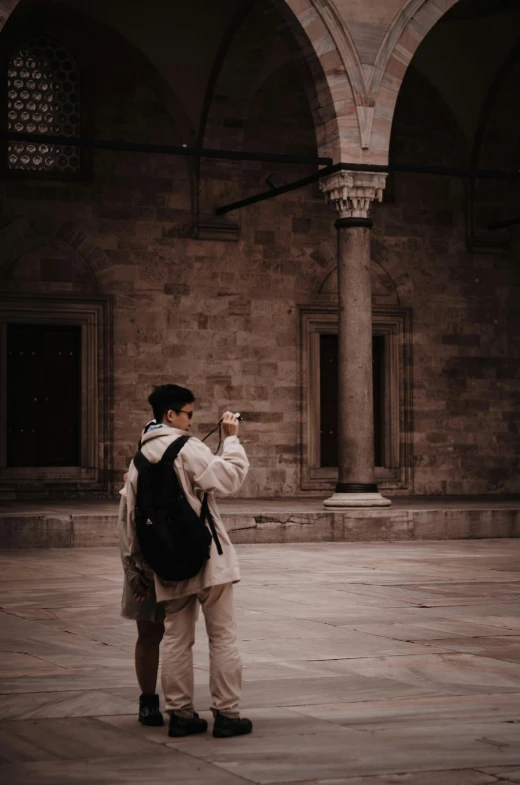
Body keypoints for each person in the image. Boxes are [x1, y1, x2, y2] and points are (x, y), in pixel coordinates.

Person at [121, 383, 252, 739]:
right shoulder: (187, 447)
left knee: (176, 639)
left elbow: (130, 517)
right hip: (206, 556)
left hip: (166, 561)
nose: (192, 421)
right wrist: (232, 439)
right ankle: (227, 715)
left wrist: (138, 568)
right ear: (171, 415)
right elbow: (230, 478)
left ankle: (180, 715)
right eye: (189, 414)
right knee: (222, 635)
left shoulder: (137, 461)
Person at [118, 434, 165, 727]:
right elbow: (125, 529)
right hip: (142, 567)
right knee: (149, 632)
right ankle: (148, 701)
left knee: (177, 637)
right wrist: (133, 571)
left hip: (176, 568)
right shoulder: (135, 479)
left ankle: (179, 702)